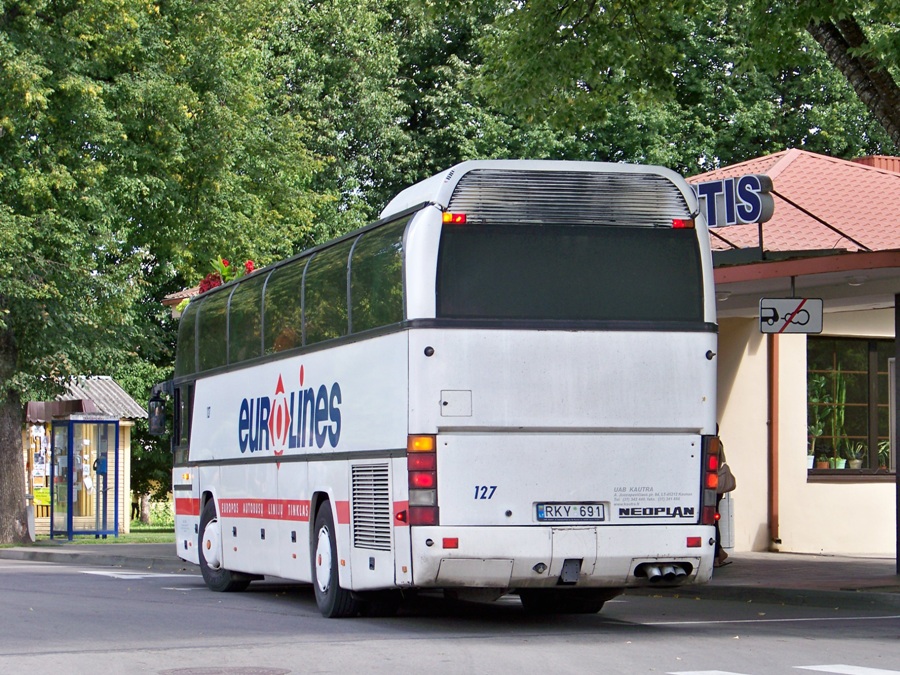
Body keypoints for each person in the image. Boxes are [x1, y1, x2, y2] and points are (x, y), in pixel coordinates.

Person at [715, 430, 737, 568]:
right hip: (716, 489)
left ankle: (717, 554)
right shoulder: (718, 443)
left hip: (711, 487)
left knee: (712, 522)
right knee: (714, 521)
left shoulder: (713, 444)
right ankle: (719, 552)